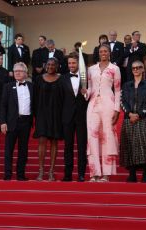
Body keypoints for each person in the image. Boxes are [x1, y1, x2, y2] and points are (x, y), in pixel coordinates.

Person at [84, 44, 121, 182]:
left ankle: (106, 173)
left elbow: (117, 90)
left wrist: (117, 110)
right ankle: (94, 173)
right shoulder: (91, 69)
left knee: (107, 137)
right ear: (98, 53)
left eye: (105, 51)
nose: (103, 53)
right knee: (92, 137)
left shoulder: (115, 69)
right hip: (92, 105)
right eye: (101, 51)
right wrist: (85, 93)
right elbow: (89, 89)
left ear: (109, 53)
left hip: (108, 104)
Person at [120, 61, 146, 183]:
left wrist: (139, 114)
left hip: (144, 119)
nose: (136, 69)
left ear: (143, 69)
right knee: (130, 145)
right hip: (129, 119)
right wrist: (129, 113)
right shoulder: (126, 85)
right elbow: (122, 101)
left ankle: (145, 174)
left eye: (138, 67)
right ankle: (132, 174)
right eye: (133, 68)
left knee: (145, 146)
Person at [0, 62, 33, 181]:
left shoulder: (31, 86)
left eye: (19, 71)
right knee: (9, 149)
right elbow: (3, 105)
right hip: (11, 122)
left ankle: (20, 174)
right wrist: (3, 122)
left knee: (23, 150)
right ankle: (8, 174)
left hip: (26, 122)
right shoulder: (8, 86)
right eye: (15, 71)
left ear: (25, 73)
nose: (17, 73)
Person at [33, 58, 63, 181]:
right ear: (46, 66)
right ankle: (41, 171)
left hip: (56, 114)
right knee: (42, 141)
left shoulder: (62, 79)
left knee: (54, 142)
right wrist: (35, 114)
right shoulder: (39, 79)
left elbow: (63, 97)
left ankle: (51, 171)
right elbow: (34, 98)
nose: (50, 66)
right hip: (42, 114)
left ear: (57, 66)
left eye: (53, 65)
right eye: (49, 64)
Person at [61, 52, 88, 182]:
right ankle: (68, 174)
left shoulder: (86, 78)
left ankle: (81, 174)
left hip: (82, 117)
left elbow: (91, 97)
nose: (71, 65)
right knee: (68, 146)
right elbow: (60, 99)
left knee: (82, 146)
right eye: (69, 63)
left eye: (74, 63)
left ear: (79, 64)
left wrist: (86, 94)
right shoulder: (63, 78)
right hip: (67, 117)